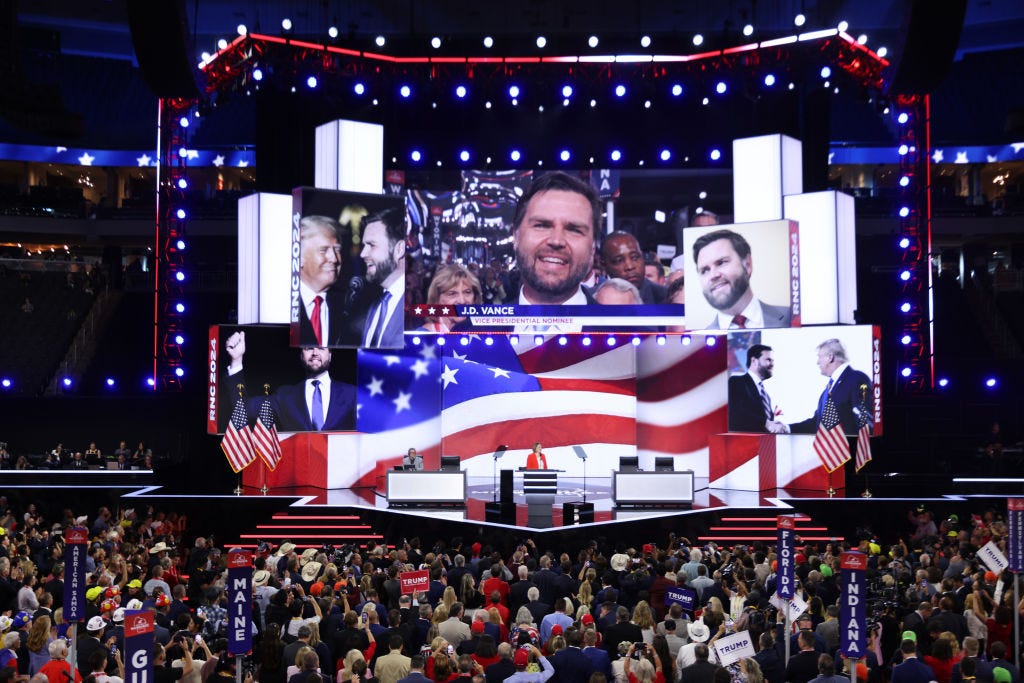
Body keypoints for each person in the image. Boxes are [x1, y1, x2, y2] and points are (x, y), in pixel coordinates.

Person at [224, 332, 356, 432]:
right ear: (301, 356)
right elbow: (243, 410)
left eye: (321, 348)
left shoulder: (353, 395)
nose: (315, 352)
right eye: (309, 348)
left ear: (330, 355)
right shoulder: (285, 397)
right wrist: (236, 360)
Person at [691, 229, 791, 330]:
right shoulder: (702, 338)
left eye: (721, 262)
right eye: (704, 270)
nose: (713, 275)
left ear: (747, 265)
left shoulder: (791, 317)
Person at [782, 339, 873, 436]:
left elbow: (865, 422)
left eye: (819, 357)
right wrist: (787, 428)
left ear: (830, 357)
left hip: (848, 449)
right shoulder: (829, 388)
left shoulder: (857, 379)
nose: (817, 362)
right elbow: (817, 423)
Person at [357, 206, 407, 348]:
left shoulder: (414, 306)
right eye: (363, 245)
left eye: (371, 245)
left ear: (399, 249)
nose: (362, 254)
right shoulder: (375, 306)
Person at [294, 215, 347, 348]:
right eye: (324, 250)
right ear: (298, 257)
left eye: (337, 250)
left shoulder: (350, 305)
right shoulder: (279, 304)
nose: (334, 259)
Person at [599, 233, 667, 304]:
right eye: (619, 260)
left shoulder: (665, 298)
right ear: (604, 265)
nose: (629, 267)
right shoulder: (592, 299)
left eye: (635, 257)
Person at [728, 344, 779, 433]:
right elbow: (735, 414)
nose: (772, 364)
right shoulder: (736, 382)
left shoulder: (766, 396)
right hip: (742, 444)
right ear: (754, 361)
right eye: (768, 360)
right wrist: (765, 423)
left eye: (773, 361)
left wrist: (775, 425)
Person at [417, 265, 481, 333]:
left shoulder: (484, 333)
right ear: (437, 298)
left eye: (467, 292)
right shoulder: (424, 335)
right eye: (452, 294)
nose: (462, 301)